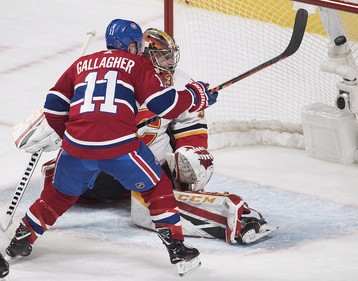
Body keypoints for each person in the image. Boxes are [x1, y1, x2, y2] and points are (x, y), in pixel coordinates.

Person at [10, 28, 276, 247]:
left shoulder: (179, 81)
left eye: (169, 56)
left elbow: (190, 130)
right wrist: (61, 132)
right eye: (160, 57)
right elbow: (68, 112)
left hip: (147, 164)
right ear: (141, 55)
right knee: (80, 176)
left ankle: (232, 217)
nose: (169, 63)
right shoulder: (119, 77)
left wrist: (192, 154)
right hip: (112, 168)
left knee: (149, 201)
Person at [2, 18, 218, 277]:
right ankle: (177, 249)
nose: (139, 51)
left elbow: (52, 106)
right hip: (119, 148)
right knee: (156, 186)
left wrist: (68, 135)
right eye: (137, 46)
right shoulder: (137, 64)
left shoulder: (81, 63)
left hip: (76, 148)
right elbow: (164, 104)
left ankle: (20, 241)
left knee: (58, 195)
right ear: (131, 46)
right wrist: (196, 95)